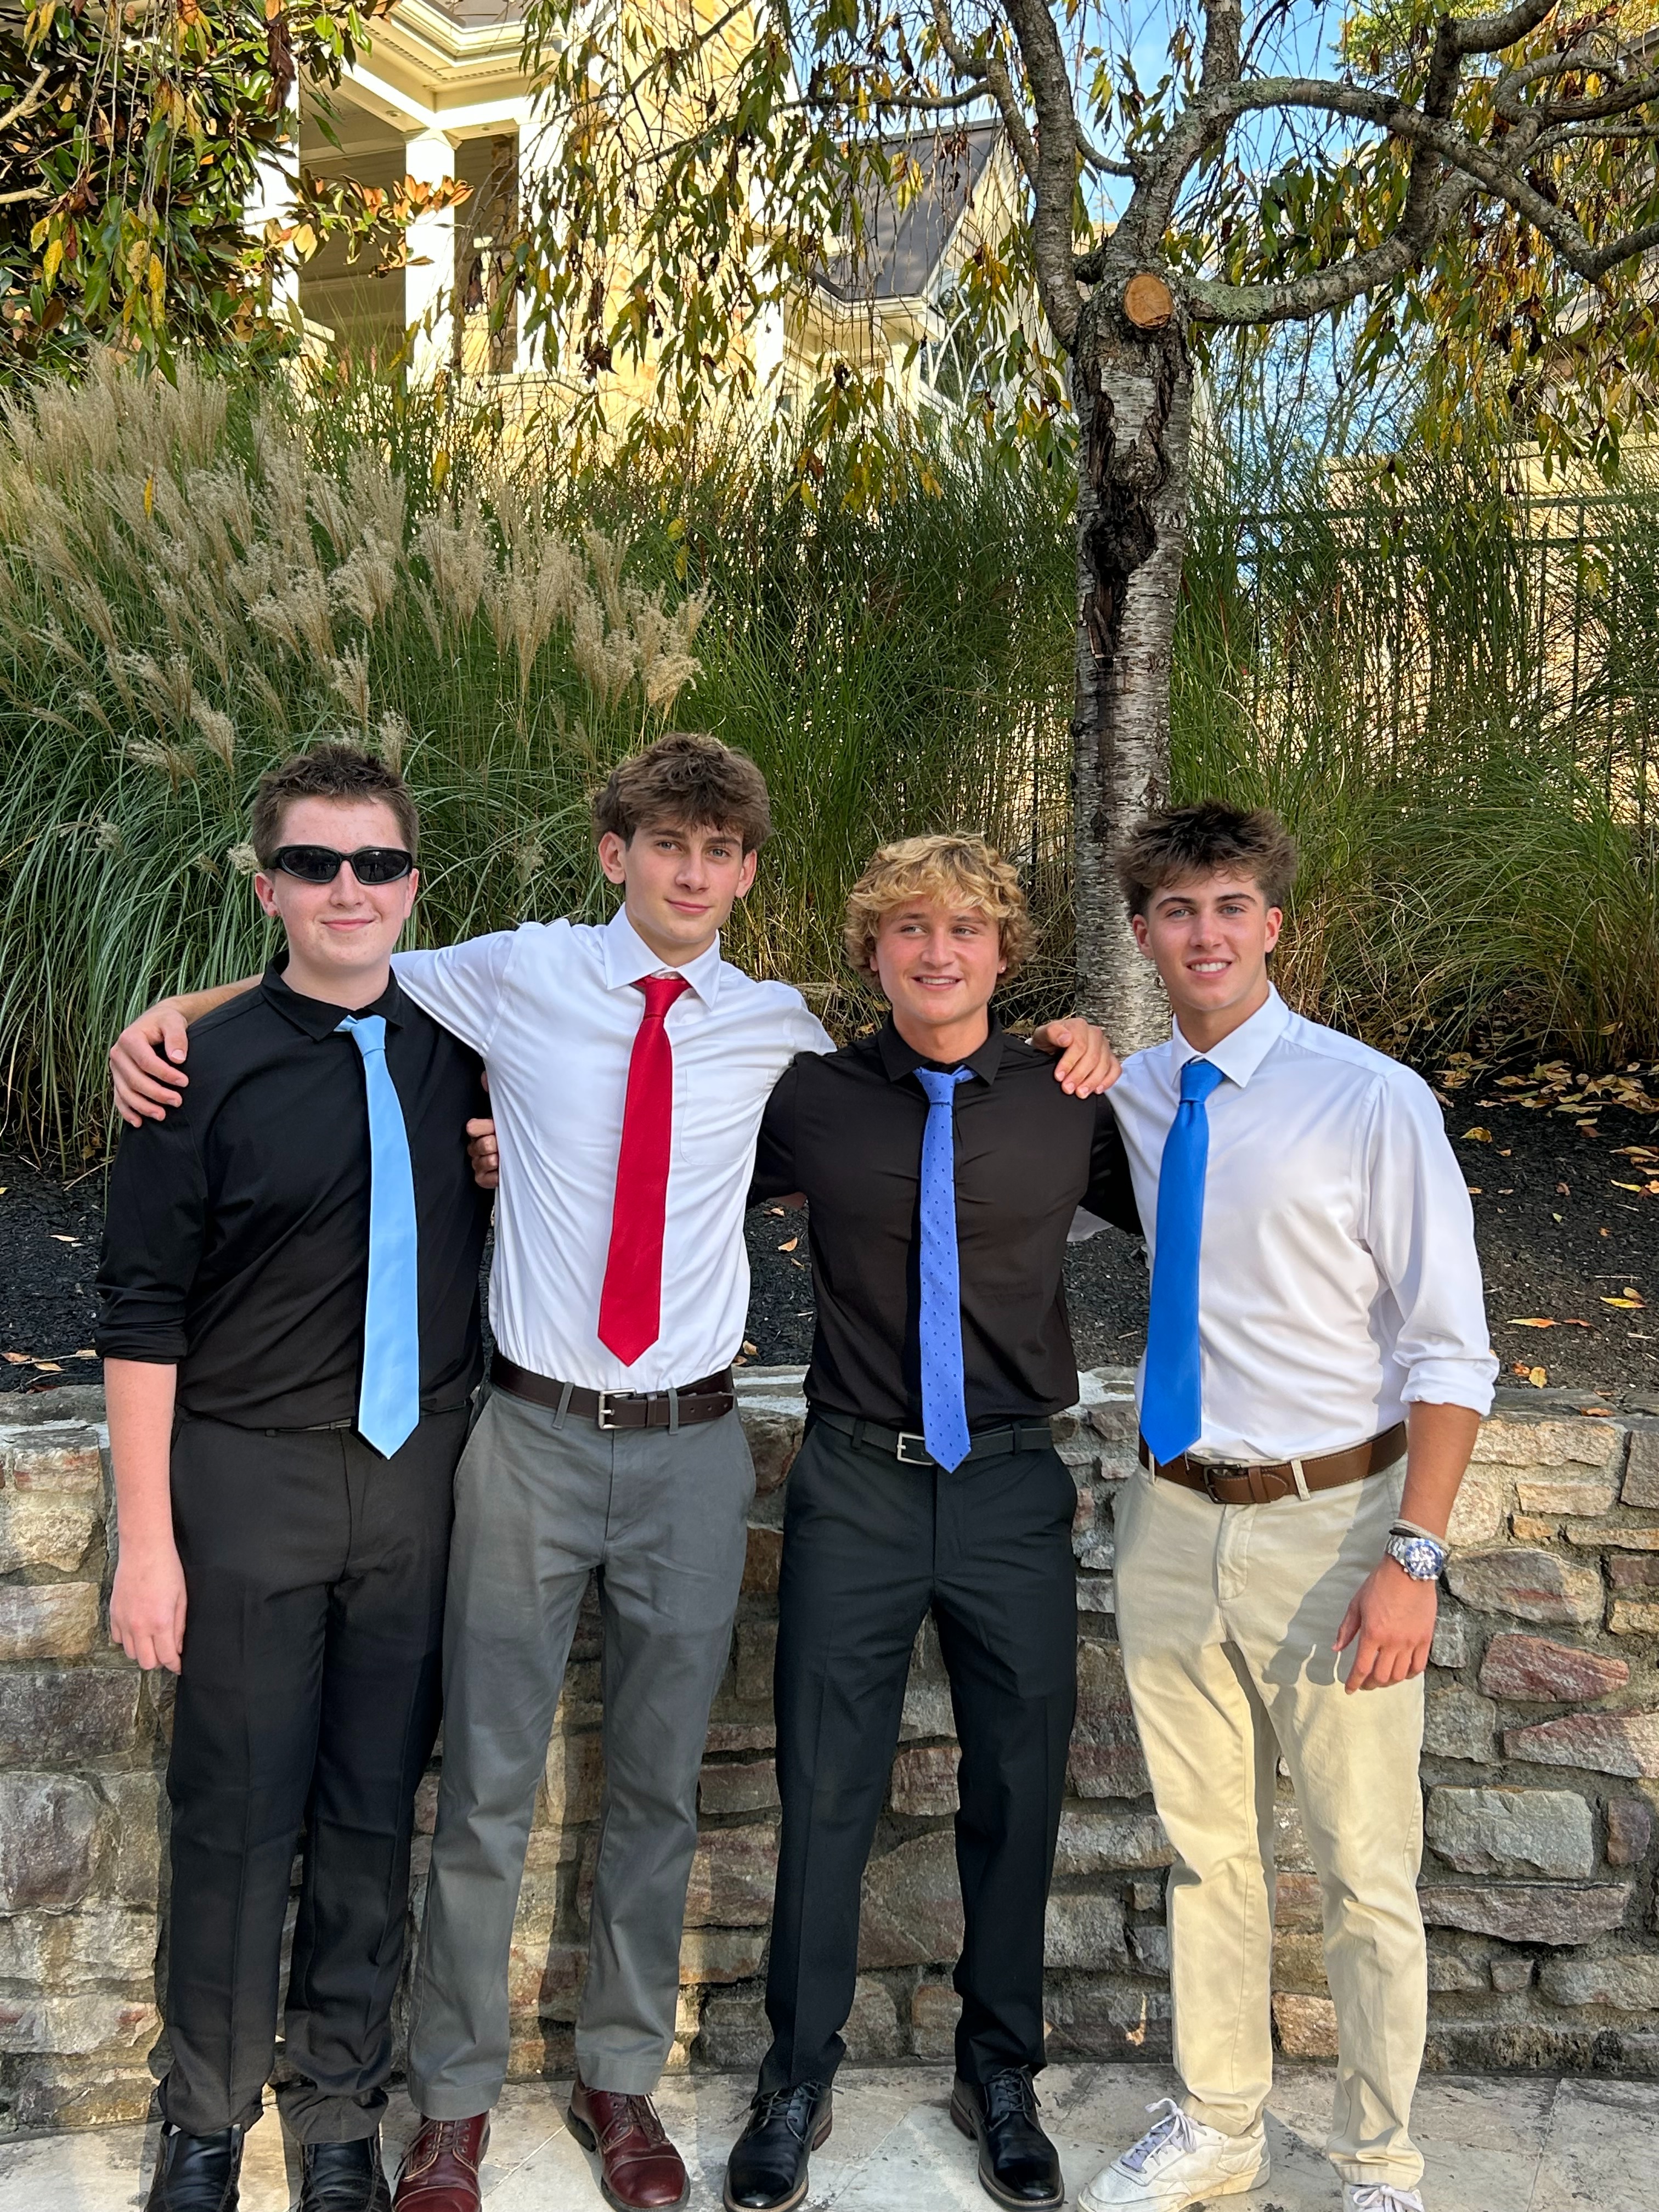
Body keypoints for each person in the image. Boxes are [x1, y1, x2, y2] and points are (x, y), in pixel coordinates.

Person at [110, 735, 1115, 2212]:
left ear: (747, 872)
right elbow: (336, 963)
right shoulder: (517, 974)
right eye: (665, 845)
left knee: (656, 1789)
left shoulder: (775, 1027)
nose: (690, 873)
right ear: (615, 855)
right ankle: (452, 2107)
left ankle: (622, 2083)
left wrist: (1073, 1036)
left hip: (693, 1451)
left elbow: (933, 1052)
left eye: (718, 851)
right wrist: (173, 1012)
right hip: (526, 1438)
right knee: (486, 1791)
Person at [1076, 803, 1496, 2212]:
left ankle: (1382, 2162)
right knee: (1208, 1855)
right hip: (1171, 1520)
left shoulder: (1370, 1099)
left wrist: (1414, 1556)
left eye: (1230, 906)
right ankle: (1221, 2124)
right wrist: (1048, 1054)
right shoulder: (1132, 1096)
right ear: (1144, 934)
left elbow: (1451, 1352)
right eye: (1177, 911)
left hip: (1337, 1524)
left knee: (1365, 1868)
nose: (1205, 934)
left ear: (1273, 925)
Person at [716, 834, 1141, 2212]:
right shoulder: (812, 1101)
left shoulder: (1069, 1101)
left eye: (965, 927)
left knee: (1016, 1786)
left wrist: (1109, 1049)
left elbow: (1217, 1205)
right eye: (909, 928)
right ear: (874, 952)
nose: (938, 950)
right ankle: (796, 2075)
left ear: (1005, 952)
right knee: (824, 1783)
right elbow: (661, 1162)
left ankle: (999, 2071)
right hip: (857, 1481)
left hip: (1012, 1483)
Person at [98, 745, 493, 2212]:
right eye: (314, 864)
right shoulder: (191, 1070)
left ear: (412, 886)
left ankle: (337, 2115)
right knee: (234, 1811)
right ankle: (202, 2119)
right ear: (267, 887)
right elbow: (140, 1312)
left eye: (375, 864)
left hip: (417, 1479)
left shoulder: (467, 1044)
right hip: (248, 1478)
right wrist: (147, 1543)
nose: (348, 889)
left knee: (374, 1807)